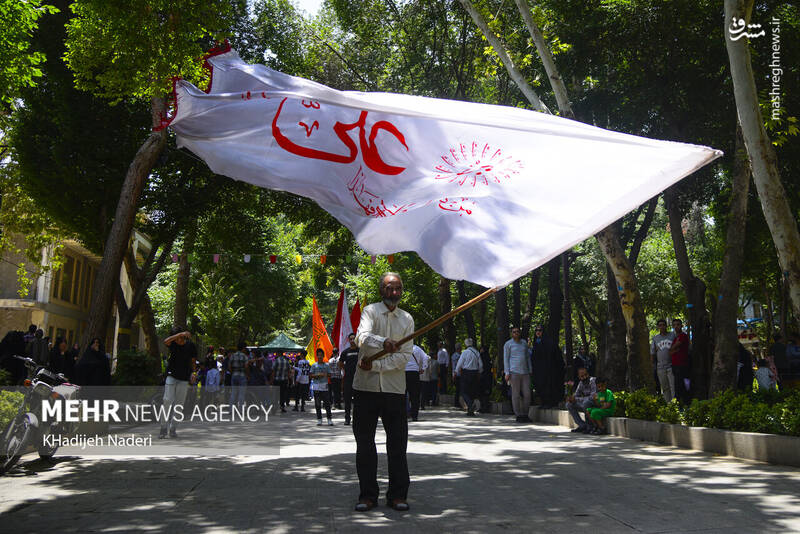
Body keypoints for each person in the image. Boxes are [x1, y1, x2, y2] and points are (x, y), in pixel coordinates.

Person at [352, 272, 413, 512]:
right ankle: (367, 495)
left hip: (395, 391)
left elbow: (403, 357)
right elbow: (362, 338)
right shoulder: (370, 311)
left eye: (398, 288)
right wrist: (383, 341)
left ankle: (398, 495)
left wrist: (376, 364)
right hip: (365, 388)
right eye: (389, 288)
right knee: (365, 443)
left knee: (397, 445)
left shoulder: (407, 319)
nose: (394, 292)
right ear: (382, 290)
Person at [159, 330, 195, 439]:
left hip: (184, 378)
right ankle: (163, 428)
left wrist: (193, 373)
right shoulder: (173, 343)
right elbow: (166, 341)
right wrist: (178, 334)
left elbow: (193, 360)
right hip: (171, 376)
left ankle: (173, 428)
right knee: (167, 400)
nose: (179, 340)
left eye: (182, 337)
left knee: (179, 404)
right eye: (178, 337)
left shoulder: (190, 346)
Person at [530, 326, 565, 408]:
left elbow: (554, 356)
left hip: (548, 369)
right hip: (539, 370)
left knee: (548, 385)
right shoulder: (536, 342)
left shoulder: (549, 342)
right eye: (536, 330)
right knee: (540, 385)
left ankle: (550, 402)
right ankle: (544, 402)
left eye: (540, 330)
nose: (538, 332)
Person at [504, 326, 532, 423]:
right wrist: (507, 372)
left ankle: (525, 414)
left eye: (517, 332)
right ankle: (518, 415)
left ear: (520, 333)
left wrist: (530, 369)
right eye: (514, 332)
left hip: (525, 372)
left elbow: (528, 357)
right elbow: (506, 359)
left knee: (527, 394)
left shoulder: (524, 343)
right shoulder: (508, 344)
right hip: (513, 372)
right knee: (515, 394)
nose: (516, 333)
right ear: (512, 334)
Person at [454, 338, 483, 416]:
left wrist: (456, 372)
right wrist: (479, 372)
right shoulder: (476, 352)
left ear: (465, 344)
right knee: (472, 391)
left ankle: (470, 405)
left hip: (466, 373)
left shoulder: (465, 352)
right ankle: (470, 410)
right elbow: (481, 365)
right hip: (474, 373)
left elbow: (460, 363)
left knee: (463, 391)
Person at [650, 319, 676, 402]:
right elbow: (652, 353)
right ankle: (668, 405)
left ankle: (675, 404)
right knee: (665, 387)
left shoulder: (672, 335)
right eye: (660, 325)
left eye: (663, 325)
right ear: (658, 327)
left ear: (666, 326)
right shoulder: (655, 338)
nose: (662, 327)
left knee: (673, 386)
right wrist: (652, 366)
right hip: (660, 367)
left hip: (671, 366)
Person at [566, 367, 596, 433]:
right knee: (569, 404)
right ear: (579, 377)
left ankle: (590, 426)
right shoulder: (581, 383)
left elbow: (592, 397)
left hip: (594, 403)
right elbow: (576, 395)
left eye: (586, 375)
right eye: (582, 376)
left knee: (586, 403)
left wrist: (576, 399)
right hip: (585, 403)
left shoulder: (592, 380)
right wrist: (572, 398)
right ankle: (582, 425)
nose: (585, 377)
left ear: (588, 374)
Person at [309, 348, 334, 425]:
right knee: (317, 404)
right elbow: (310, 375)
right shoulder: (314, 365)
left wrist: (324, 374)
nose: (319, 357)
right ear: (316, 356)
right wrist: (316, 375)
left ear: (323, 356)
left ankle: (329, 419)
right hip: (316, 387)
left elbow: (330, 374)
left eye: (321, 355)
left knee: (327, 403)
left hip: (324, 386)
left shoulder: (326, 365)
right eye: (318, 355)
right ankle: (319, 419)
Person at [669, 319, 690, 403]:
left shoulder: (683, 336)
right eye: (674, 325)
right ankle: (679, 403)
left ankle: (685, 403)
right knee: (677, 385)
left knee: (683, 385)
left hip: (682, 365)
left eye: (678, 324)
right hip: (675, 365)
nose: (676, 326)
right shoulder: (675, 338)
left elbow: (672, 348)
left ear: (681, 326)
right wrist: (674, 348)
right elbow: (670, 352)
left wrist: (674, 348)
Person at [340, 333, 359, 425]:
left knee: (358, 400)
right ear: (348, 340)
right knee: (347, 400)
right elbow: (340, 363)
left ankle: (358, 418)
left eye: (353, 339)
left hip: (359, 379)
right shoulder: (345, 352)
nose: (352, 340)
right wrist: (345, 369)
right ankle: (347, 418)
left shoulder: (361, 350)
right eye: (350, 339)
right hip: (348, 379)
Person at [405, 344, 427, 421]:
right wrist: (423, 368)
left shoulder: (403, 347)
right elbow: (425, 357)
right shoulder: (417, 348)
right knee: (415, 395)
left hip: (403, 373)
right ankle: (414, 415)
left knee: (402, 394)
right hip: (414, 372)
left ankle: (404, 414)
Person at [229, 342, 249, 409]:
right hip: (242, 376)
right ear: (243, 348)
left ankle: (231, 409)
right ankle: (240, 410)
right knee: (241, 394)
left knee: (233, 393)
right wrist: (247, 375)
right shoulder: (245, 356)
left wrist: (232, 373)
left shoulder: (233, 355)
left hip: (234, 375)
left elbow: (229, 366)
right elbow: (246, 367)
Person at [478, 345, 492, 413]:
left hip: (482, 377)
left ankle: (482, 406)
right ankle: (485, 407)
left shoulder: (481, 356)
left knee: (481, 392)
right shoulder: (488, 357)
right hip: (488, 377)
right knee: (486, 392)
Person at [451, 343, 462, 407]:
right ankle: (457, 403)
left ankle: (457, 402)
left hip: (455, 373)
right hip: (458, 374)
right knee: (458, 389)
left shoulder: (453, 355)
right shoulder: (457, 356)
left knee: (458, 389)